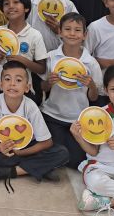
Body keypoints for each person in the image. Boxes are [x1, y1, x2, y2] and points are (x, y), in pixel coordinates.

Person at [0, 61, 69, 190]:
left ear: (27, 87)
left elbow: (47, 142)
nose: (12, 83)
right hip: (5, 148)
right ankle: (41, 168)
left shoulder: (30, 106)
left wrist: (22, 152)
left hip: (28, 148)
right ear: (0, 85)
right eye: (7, 79)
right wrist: (0, 148)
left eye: (18, 80)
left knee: (62, 152)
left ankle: (8, 171)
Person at [41, 13, 103, 169]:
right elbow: (42, 87)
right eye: (67, 29)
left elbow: (94, 98)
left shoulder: (91, 63)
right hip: (51, 115)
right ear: (59, 32)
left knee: (75, 161)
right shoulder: (51, 57)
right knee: (54, 151)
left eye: (77, 30)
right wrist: (49, 82)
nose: (72, 33)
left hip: (77, 119)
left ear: (84, 35)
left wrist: (91, 85)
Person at [71, 64, 114, 216]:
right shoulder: (99, 115)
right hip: (102, 168)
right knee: (96, 182)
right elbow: (93, 151)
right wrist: (78, 136)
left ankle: (109, 201)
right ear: (106, 91)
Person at [0, 0, 47, 105]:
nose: (11, 6)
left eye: (16, 2)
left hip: (23, 90)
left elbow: (42, 69)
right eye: (6, 3)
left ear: (26, 8)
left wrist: (23, 60)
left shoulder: (34, 35)